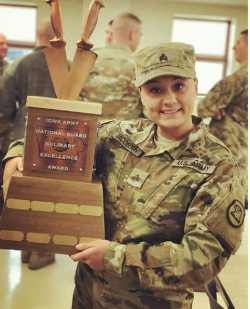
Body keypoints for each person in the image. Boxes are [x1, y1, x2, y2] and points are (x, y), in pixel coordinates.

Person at [2, 42, 245, 308]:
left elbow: (203, 260)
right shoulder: (121, 135)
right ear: (140, 94)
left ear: (196, 86)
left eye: (178, 86)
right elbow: (59, 135)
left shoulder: (218, 166)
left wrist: (114, 257)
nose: (169, 100)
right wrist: (17, 153)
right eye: (155, 90)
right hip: (87, 296)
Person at [0, 19, 57, 270]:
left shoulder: (18, 65)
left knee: (22, 194)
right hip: (58, 142)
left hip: (19, 139)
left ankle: (24, 247)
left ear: (38, 35)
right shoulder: (68, 67)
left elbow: (3, 105)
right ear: (59, 36)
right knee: (48, 197)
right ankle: (40, 251)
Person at [197, 29, 248, 207]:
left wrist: (214, 108)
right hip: (243, 148)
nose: (234, 47)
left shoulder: (239, 78)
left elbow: (204, 107)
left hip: (228, 148)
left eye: (239, 43)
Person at [80, 12, 144, 120]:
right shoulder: (140, 65)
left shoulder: (86, 59)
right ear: (133, 34)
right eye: (141, 35)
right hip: (125, 135)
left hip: (85, 132)